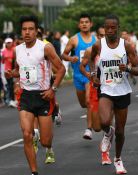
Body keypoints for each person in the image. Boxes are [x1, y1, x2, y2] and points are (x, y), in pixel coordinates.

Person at [6, 15, 65, 175]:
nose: (27, 32)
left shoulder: (45, 48)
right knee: (27, 134)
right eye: (24, 29)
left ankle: (54, 115)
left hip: (44, 96)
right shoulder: (18, 49)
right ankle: (34, 172)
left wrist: (53, 89)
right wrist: (14, 76)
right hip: (26, 97)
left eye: (30, 29)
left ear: (36, 30)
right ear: (21, 31)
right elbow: (20, 70)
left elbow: (61, 69)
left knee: (46, 141)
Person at [89, 14, 138, 174]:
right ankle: (108, 132)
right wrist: (94, 74)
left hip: (123, 91)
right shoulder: (99, 45)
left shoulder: (127, 46)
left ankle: (118, 159)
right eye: (107, 28)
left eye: (113, 27)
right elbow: (92, 60)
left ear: (118, 28)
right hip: (106, 89)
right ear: (104, 29)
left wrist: (127, 68)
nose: (110, 30)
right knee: (104, 122)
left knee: (120, 130)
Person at [80, 26, 112, 165]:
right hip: (96, 89)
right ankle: (108, 132)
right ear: (97, 36)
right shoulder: (91, 50)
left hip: (112, 89)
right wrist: (90, 76)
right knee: (98, 127)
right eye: (100, 35)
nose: (102, 38)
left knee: (107, 122)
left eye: (105, 35)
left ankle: (105, 154)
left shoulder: (114, 49)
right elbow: (82, 66)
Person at [62, 13, 96, 139]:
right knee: (83, 104)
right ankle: (90, 119)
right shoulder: (74, 39)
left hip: (89, 75)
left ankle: (88, 129)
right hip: (77, 76)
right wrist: (71, 58)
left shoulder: (95, 40)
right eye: (82, 22)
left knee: (89, 101)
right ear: (79, 25)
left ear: (91, 24)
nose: (84, 24)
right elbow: (63, 54)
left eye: (86, 22)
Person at [1, 37, 17, 107]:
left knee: (12, 86)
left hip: (13, 71)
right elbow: (2, 61)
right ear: (6, 44)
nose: (9, 44)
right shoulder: (3, 51)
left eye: (10, 42)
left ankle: (12, 100)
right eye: (7, 43)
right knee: (6, 86)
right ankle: (8, 100)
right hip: (5, 71)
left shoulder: (14, 50)